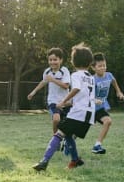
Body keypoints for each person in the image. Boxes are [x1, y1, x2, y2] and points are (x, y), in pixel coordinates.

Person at [33, 43, 95, 171]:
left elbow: (76, 89)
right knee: (67, 135)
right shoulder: (91, 77)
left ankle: (44, 162)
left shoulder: (75, 75)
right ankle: (75, 160)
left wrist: (63, 101)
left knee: (58, 134)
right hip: (89, 115)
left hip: (78, 113)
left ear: (73, 61)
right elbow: (84, 96)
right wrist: (69, 103)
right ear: (89, 62)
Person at [27, 48, 70, 133]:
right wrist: (33, 92)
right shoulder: (47, 71)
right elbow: (43, 82)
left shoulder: (64, 70)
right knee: (56, 119)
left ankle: (66, 140)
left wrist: (53, 80)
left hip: (65, 101)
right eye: (50, 60)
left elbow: (66, 86)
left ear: (61, 60)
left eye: (55, 60)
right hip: (53, 101)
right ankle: (55, 139)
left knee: (67, 124)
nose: (52, 62)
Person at [91, 53, 124, 154]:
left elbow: (114, 82)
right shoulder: (92, 80)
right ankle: (69, 142)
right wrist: (94, 100)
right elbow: (86, 95)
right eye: (100, 66)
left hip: (100, 108)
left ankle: (97, 145)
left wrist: (119, 92)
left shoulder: (109, 75)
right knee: (80, 129)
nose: (103, 68)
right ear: (93, 67)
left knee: (108, 121)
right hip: (90, 108)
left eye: (104, 65)